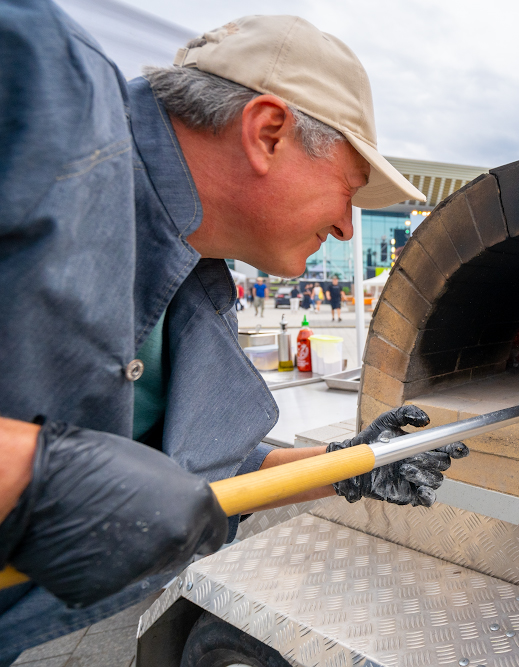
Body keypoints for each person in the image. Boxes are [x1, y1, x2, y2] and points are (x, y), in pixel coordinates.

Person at [0, 7, 466, 663]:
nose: (344, 230)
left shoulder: (194, 285)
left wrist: (350, 467)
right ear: (268, 132)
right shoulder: (39, 75)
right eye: (349, 190)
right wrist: (34, 469)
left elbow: (189, 479)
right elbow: (90, 482)